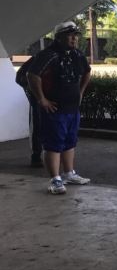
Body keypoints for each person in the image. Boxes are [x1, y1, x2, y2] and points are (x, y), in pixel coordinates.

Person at [26, 22, 91, 194]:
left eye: (76, 35)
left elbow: (86, 72)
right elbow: (32, 75)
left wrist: (80, 93)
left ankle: (69, 173)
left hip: (72, 108)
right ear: (59, 37)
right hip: (54, 110)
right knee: (53, 145)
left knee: (70, 142)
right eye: (70, 35)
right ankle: (55, 179)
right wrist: (42, 100)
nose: (74, 38)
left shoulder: (77, 54)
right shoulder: (48, 54)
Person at [15, 55, 43, 168]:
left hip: (52, 99)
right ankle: (36, 155)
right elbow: (20, 77)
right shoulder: (39, 58)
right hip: (38, 100)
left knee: (38, 126)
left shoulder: (72, 56)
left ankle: (40, 155)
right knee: (37, 126)